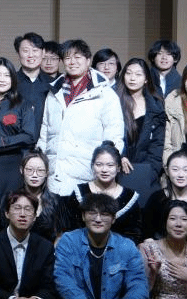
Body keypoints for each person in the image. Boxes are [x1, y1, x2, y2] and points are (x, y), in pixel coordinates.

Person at [54, 193, 148, 299]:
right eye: (92, 213)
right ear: (83, 216)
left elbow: (139, 284)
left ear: (113, 218)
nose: (98, 219)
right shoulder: (69, 241)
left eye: (104, 214)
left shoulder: (126, 246)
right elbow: (62, 279)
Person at [36, 39, 124, 196]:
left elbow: (114, 136)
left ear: (88, 60)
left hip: (88, 177)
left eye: (77, 57)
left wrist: (105, 170)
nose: (72, 62)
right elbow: (45, 132)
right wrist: (40, 162)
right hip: (54, 176)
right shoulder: (54, 92)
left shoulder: (105, 94)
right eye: (67, 58)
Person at [0, 57, 36, 200]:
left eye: (7, 75)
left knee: (11, 204)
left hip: (13, 165)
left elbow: (29, 136)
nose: (2, 79)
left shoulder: (22, 104)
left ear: (13, 79)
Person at [60, 142, 143, 244]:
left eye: (110, 165)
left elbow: (134, 234)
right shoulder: (80, 192)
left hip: (119, 251)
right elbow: (70, 228)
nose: (104, 170)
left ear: (118, 167)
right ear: (92, 166)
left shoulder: (129, 197)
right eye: (99, 165)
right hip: (81, 247)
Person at [116, 58, 166, 203]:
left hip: (145, 171)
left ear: (146, 79)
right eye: (128, 73)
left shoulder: (156, 106)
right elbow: (109, 136)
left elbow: (157, 145)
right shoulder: (114, 101)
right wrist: (119, 156)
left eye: (138, 74)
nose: (132, 78)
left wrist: (148, 174)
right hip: (116, 170)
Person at [143, 150, 187, 245]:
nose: (181, 175)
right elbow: (147, 232)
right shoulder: (157, 198)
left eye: (186, 170)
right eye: (175, 169)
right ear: (167, 171)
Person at [12, 32, 52, 139]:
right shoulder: (9, 82)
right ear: (18, 53)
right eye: (25, 51)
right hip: (14, 143)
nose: (30, 55)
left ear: (43, 53)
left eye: (35, 50)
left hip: (45, 143)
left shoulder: (53, 84)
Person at [20, 150, 65, 242]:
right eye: (29, 170)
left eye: (40, 170)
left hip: (48, 250)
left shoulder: (57, 201)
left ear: (47, 173)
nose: (34, 175)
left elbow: (60, 236)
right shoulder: (12, 199)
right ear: (22, 170)